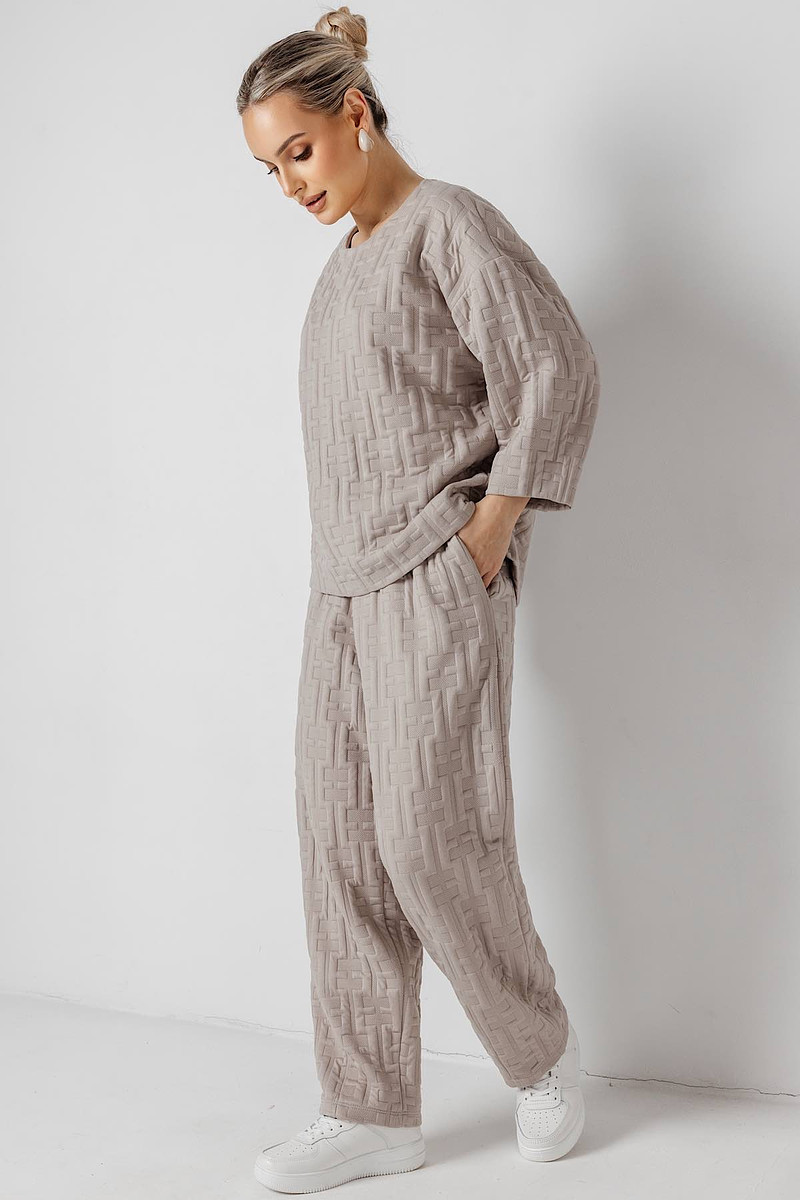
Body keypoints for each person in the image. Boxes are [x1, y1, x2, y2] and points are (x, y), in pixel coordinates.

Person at [238, 6, 600, 1193]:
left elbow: (551, 364)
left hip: (433, 576)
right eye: (269, 168)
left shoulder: (448, 224)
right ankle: (369, 1110)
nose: (290, 183)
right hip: (337, 592)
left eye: (298, 150)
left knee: (427, 835)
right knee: (340, 846)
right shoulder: (341, 266)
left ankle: (539, 1058)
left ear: (354, 111)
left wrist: (489, 530)